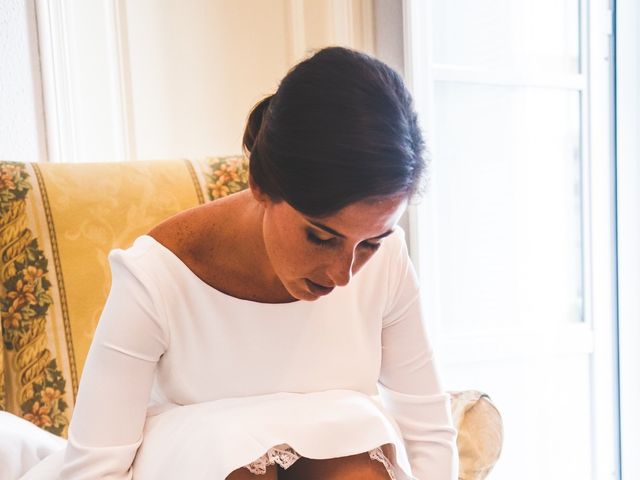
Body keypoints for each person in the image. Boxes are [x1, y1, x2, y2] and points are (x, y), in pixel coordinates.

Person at [52, 46, 457, 479]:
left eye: (370, 244)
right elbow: (94, 469)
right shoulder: (155, 277)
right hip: (198, 465)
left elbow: (427, 429)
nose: (344, 274)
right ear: (260, 184)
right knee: (235, 458)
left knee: (359, 447)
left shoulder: (388, 261)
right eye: (321, 237)